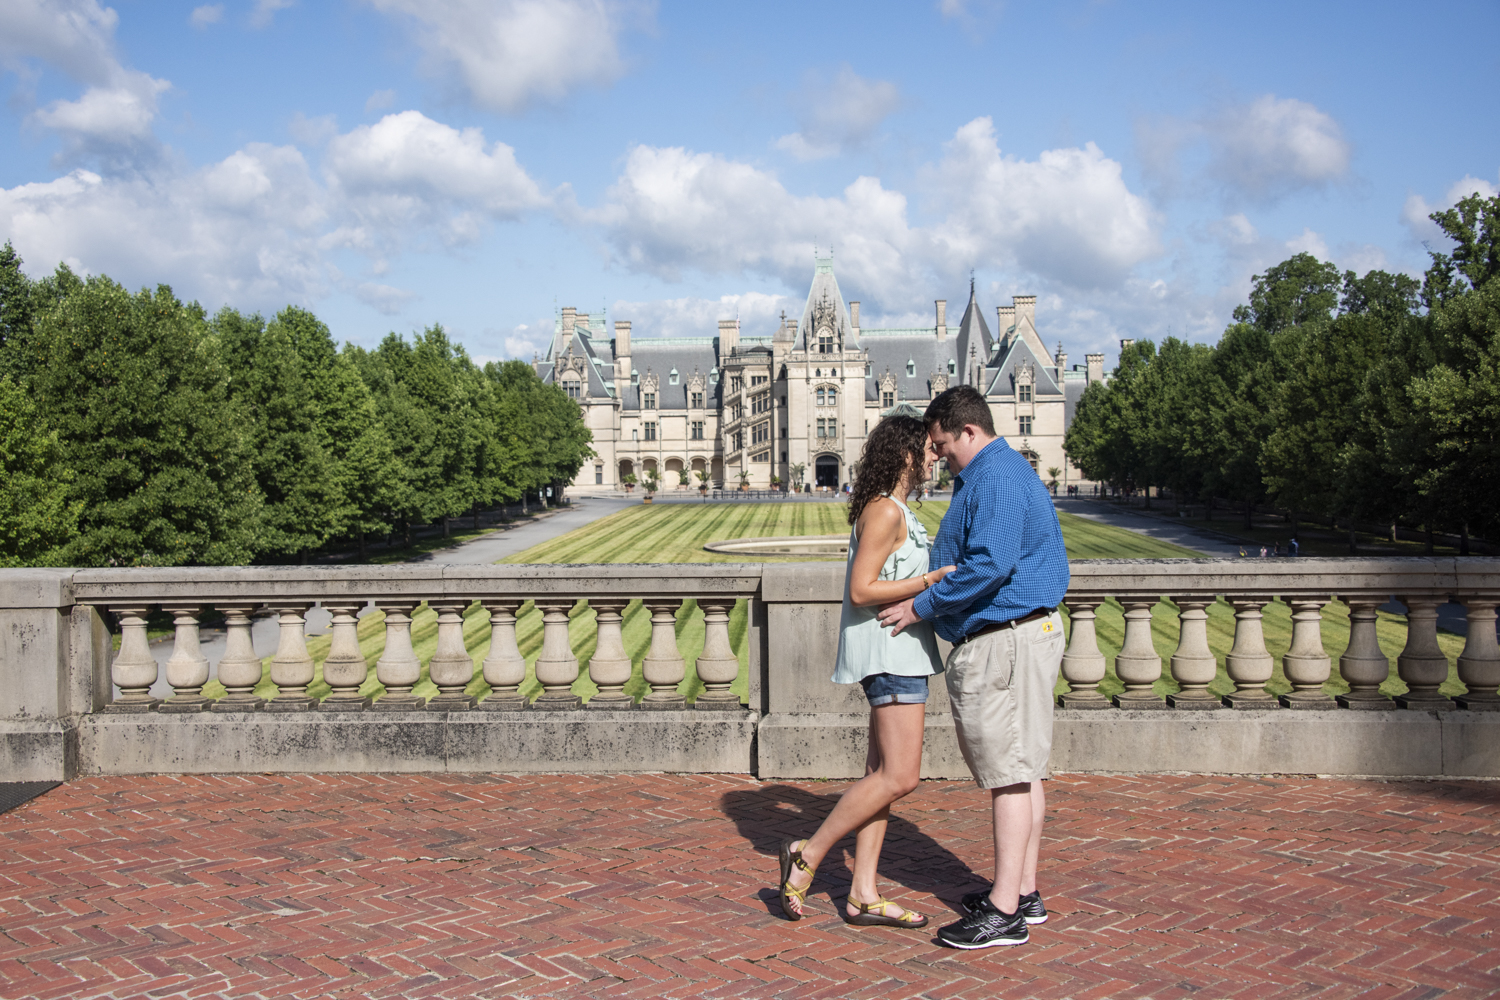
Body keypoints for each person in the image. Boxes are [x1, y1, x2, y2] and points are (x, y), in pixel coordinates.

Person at [877, 385, 1069, 950]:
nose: (935, 457)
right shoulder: (991, 474)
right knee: (1024, 768)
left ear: (969, 431)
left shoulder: (997, 476)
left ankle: (1004, 912)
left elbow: (987, 565)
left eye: (941, 445)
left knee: (1008, 775)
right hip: (1016, 636)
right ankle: (1023, 894)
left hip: (1005, 640)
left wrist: (920, 606)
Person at [779, 415, 954, 928]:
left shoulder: (893, 507)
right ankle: (806, 854)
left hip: (899, 652)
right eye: (926, 449)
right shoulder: (883, 510)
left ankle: (862, 893)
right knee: (902, 776)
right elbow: (861, 589)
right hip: (890, 654)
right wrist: (931, 579)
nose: (934, 456)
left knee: (880, 778)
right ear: (904, 454)